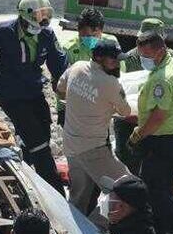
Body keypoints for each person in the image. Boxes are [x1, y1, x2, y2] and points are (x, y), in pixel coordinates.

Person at [0, 0, 68, 192]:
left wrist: (66, 82)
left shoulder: (47, 35)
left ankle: (25, 177)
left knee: (43, 131)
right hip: (11, 95)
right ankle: (55, 192)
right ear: (24, 15)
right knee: (39, 144)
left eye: (46, 14)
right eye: (38, 15)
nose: (43, 20)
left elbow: (59, 63)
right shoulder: (2, 32)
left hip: (35, 91)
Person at [129, 29, 173, 234]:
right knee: (164, 190)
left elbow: (158, 117)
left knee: (155, 195)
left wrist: (138, 135)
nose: (143, 60)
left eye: (146, 56)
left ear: (160, 51)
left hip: (162, 143)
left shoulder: (162, 78)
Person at [56, 39, 132, 212]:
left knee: (79, 197)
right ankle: (103, 224)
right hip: (93, 149)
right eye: (113, 60)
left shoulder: (77, 67)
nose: (116, 64)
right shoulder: (109, 83)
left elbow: (60, 88)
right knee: (129, 187)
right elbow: (125, 112)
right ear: (98, 58)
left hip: (70, 143)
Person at [114, 19, 173, 174]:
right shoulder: (129, 58)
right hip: (131, 115)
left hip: (156, 116)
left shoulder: (171, 57)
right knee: (127, 155)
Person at [58, 8, 121, 125]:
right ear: (78, 31)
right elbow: (61, 84)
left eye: (94, 34)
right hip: (72, 106)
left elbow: (119, 75)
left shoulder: (111, 44)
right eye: (86, 35)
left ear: (101, 31)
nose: (90, 38)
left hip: (100, 105)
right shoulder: (69, 49)